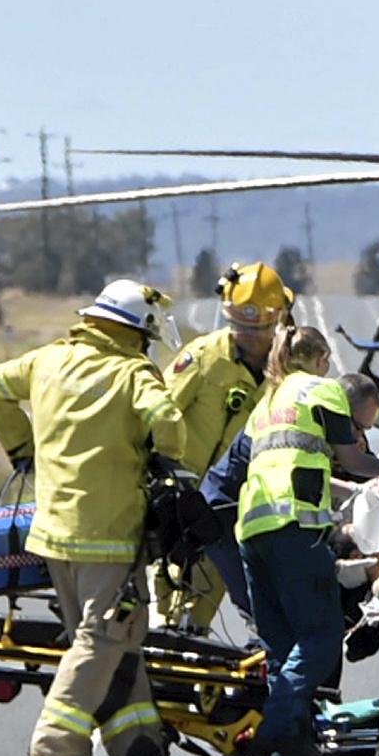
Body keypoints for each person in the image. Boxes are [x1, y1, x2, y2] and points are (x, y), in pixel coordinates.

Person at [0, 279, 188, 756]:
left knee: (119, 638)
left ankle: (136, 741)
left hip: (53, 535)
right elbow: (168, 420)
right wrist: (164, 459)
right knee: (103, 639)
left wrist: (23, 450)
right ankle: (56, 743)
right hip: (108, 536)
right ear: (136, 332)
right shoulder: (132, 372)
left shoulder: (45, 361)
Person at [234, 326, 379, 756]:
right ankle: (271, 730)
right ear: (322, 358)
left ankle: (294, 742)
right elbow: (354, 459)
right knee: (321, 639)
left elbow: (295, 462)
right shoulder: (322, 390)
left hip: (252, 528)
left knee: (283, 646)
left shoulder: (268, 400)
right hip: (293, 526)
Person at [157, 261, 293, 629]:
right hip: (182, 503)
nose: (248, 336)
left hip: (237, 509)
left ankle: (195, 647)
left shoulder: (289, 373)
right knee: (170, 592)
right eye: (240, 326)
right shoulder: (203, 357)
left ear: (278, 319)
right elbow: (159, 413)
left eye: (259, 328)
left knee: (214, 591)